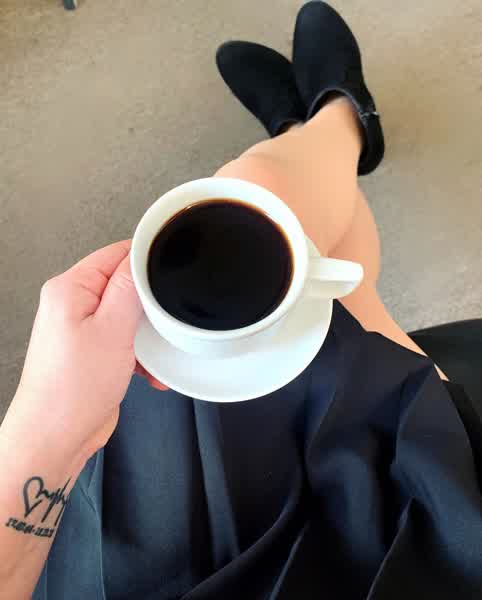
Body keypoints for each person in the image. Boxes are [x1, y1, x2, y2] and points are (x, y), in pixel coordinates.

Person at [1, 2, 481, 599]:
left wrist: (49, 432)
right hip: (424, 533)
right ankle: (339, 119)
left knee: (288, 235)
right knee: (269, 207)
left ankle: (307, 131)